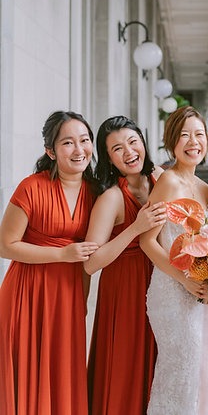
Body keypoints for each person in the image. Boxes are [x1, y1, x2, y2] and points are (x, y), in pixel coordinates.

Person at [0, 110, 99, 415]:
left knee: (62, 374)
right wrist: (61, 254)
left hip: (68, 296)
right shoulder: (31, 187)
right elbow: (5, 245)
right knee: (26, 373)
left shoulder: (95, 192)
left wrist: (81, 300)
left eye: (84, 140)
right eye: (68, 143)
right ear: (51, 151)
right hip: (26, 294)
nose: (79, 149)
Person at [140, 105, 208, 415]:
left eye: (199, 135)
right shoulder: (168, 182)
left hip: (199, 292)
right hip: (171, 291)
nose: (194, 142)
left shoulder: (203, 188)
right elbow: (147, 241)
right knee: (182, 366)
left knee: (202, 367)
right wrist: (184, 280)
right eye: (185, 135)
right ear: (172, 141)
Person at [84, 116, 167, 415]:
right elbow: (91, 264)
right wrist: (135, 228)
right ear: (108, 158)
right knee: (126, 363)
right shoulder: (111, 197)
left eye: (133, 142)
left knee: (160, 361)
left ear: (143, 142)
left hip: (162, 280)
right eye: (117, 148)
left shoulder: (160, 177)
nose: (129, 152)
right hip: (125, 287)